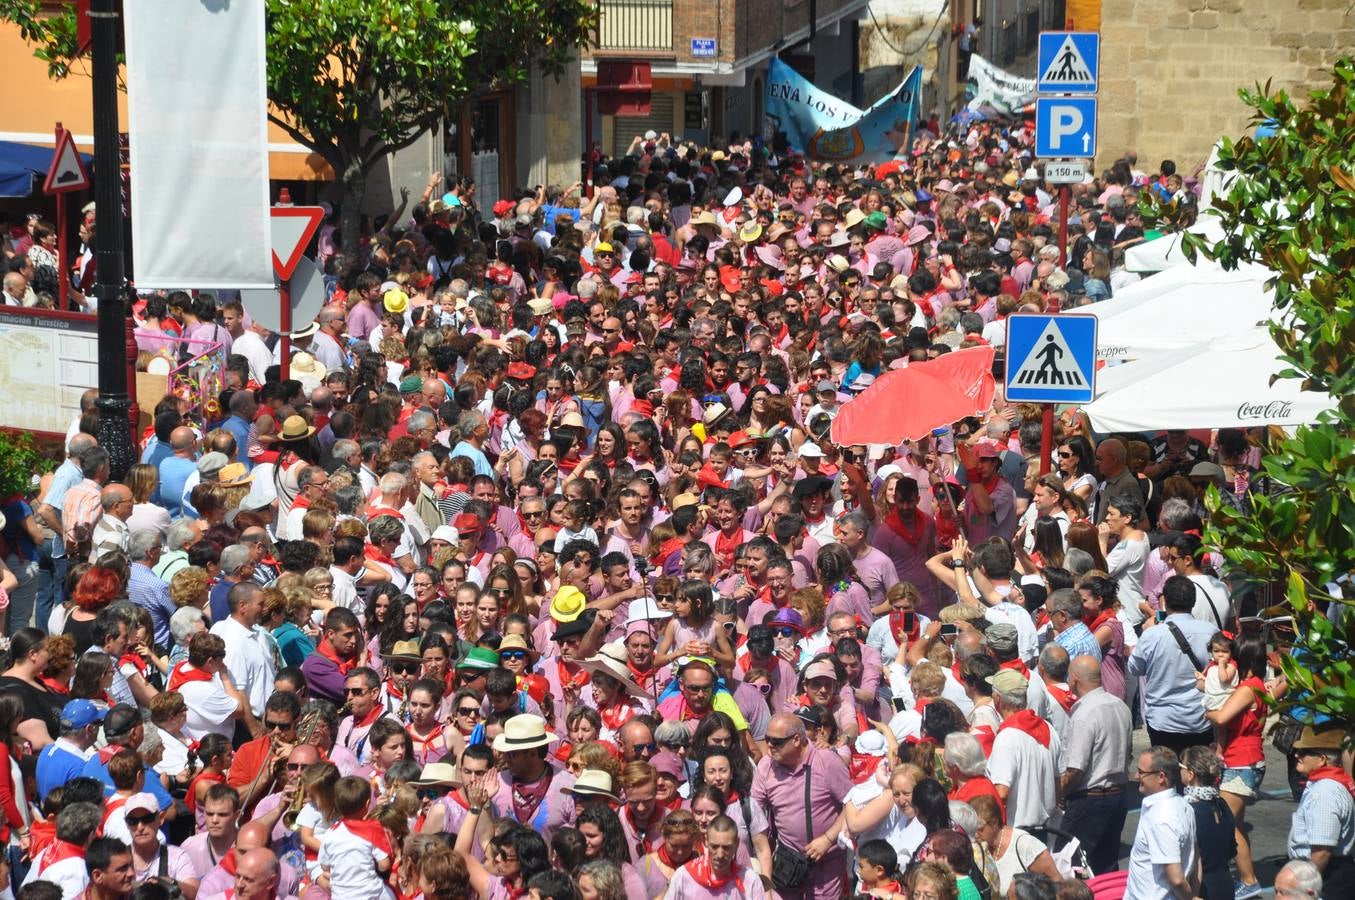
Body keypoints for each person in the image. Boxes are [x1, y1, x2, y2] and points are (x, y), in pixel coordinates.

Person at [750, 713, 852, 900]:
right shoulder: (766, 766)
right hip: (788, 864)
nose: (770, 746)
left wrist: (827, 839)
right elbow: (754, 810)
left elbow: (852, 804)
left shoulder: (826, 761)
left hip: (825, 864)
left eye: (776, 741)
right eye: (767, 739)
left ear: (797, 739)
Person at [1058, 654, 1131, 875]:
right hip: (1118, 797)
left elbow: (1075, 769)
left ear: (1074, 679)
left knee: (1070, 865)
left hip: (1091, 800)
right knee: (1106, 864)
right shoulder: (1120, 706)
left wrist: (1059, 794)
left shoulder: (1085, 714)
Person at [1127, 575, 1216, 753]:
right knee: (1199, 774)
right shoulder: (1212, 632)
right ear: (1193, 601)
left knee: (1165, 777)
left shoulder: (1152, 635)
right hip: (1201, 719)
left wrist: (1144, 634)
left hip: (1163, 721)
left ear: (1165, 602)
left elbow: (1135, 668)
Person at [1287, 725, 1355, 896]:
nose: (1297, 755)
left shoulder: (1324, 793)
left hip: (1326, 876)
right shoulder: (1323, 785)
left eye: (1304, 752)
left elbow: (1322, 852)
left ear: (1322, 759)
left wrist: (1305, 888)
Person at [1126, 746, 1199, 900]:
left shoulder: (1161, 818)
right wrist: (1194, 894)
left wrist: (1191, 898)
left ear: (1161, 777)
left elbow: (1176, 879)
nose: (1136, 776)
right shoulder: (1184, 805)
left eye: (1141, 772)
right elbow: (1196, 857)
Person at [1178, 746, 1237, 900]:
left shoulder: (1187, 810)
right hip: (1224, 885)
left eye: (1181, 766)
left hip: (1200, 888)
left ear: (1190, 774)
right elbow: (1231, 849)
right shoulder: (1221, 804)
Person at [662, 814, 764, 900]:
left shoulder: (750, 880)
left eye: (726, 848)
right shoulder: (684, 876)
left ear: (737, 843)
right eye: (714, 847)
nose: (720, 855)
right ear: (706, 840)